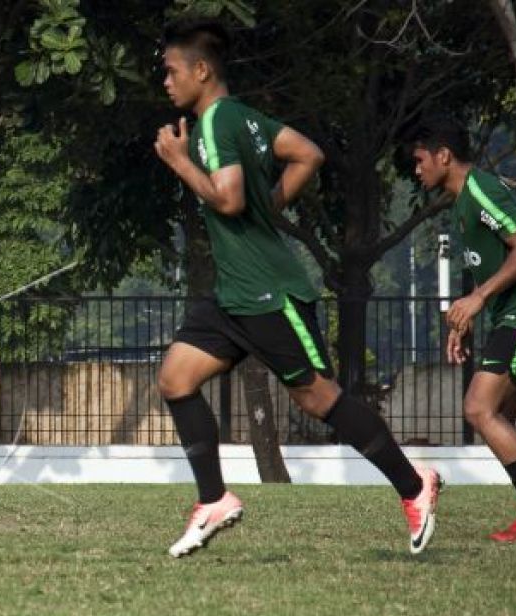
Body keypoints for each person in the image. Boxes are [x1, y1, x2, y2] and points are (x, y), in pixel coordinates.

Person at [152, 19, 441, 557]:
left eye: (170, 72)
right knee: (175, 379)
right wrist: (271, 208)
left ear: (200, 70)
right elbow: (309, 153)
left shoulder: (214, 125)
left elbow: (230, 198)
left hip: (267, 291)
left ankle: (413, 485)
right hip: (234, 295)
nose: (165, 83)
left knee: (317, 397)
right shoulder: (243, 116)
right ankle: (212, 499)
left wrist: (179, 162)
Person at [413, 115, 516, 543]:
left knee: (480, 409)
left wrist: (478, 299)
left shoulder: (480, 189)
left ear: (444, 155)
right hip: (510, 314)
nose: (417, 168)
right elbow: (496, 265)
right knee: (502, 420)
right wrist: (466, 318)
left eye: (420, 159)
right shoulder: (462, 201)